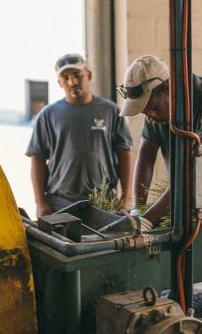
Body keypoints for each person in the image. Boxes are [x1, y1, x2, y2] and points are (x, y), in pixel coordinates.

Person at [119, 54, 202, 334]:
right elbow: (146, 157)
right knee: (176, 258)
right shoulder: (159, 107)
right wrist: (137, 210)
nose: (149, 116)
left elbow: (194, 176)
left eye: (151, 108)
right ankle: (171, 330)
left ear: (168, 90)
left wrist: (148, 220)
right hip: (181, 190)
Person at [26, 53, 133, 218]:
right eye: (65, 77)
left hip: (102, 203)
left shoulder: (110, 111)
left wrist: (125, 199)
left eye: (77, 75)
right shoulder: (48, 115)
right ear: (59, 82)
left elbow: (125, 153)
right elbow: (37, 159)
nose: (72, 82)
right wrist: (40, 203)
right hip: (59, 204)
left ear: (88, 75)